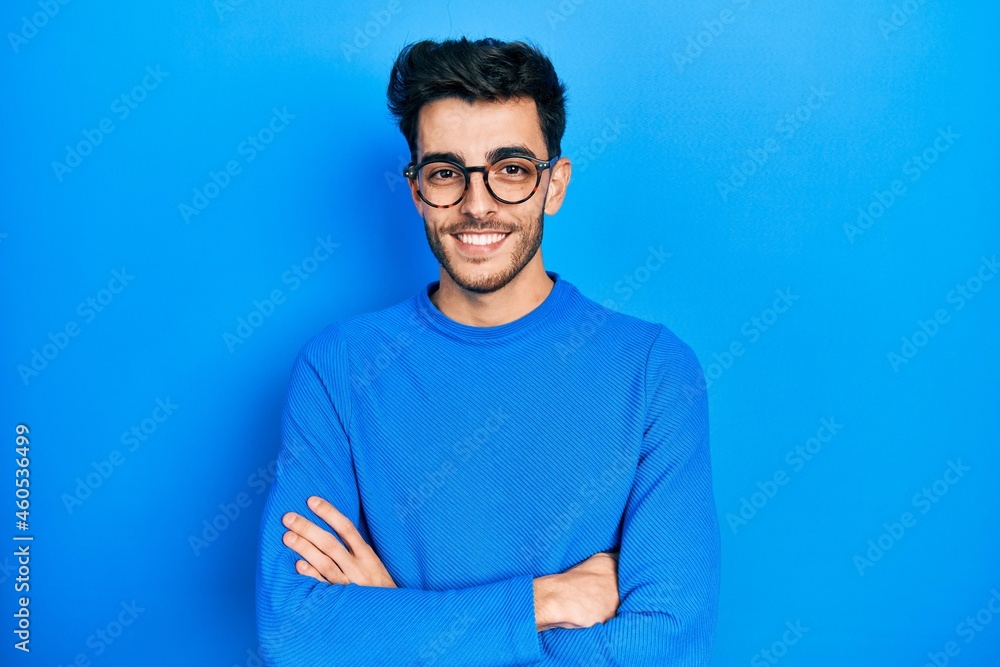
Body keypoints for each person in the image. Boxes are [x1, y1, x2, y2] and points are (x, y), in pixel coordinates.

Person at [255, 36, 720, 666]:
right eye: (447, 172)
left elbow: (664, 651)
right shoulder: (336, 370)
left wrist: (394, 626)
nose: (478, 205)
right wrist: (543, 600)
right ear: (417, 189)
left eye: (511, 170)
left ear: (554, 184)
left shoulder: (655, 371)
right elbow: (295, 635)